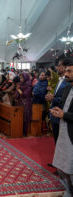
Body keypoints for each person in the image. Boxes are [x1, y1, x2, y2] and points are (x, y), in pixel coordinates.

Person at [51, 59, 73, 196]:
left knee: (71, 164)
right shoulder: (67, 88)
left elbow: (67, 113)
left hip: (72, 134)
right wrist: (58, 111)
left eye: (69, 71)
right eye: (65, 71)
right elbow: (64, 107)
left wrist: (64, 115)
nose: (65, 73)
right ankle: (69, 190)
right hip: (64, 131)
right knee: (62, 165)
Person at [46, 59, 70, 144]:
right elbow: (57, 95)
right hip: (54, 113)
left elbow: (66, 99)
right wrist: (50, 97)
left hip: (61, 114)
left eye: (59, 65)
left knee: (62, 142)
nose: (57, 67)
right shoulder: (60, 80)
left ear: (65, 67)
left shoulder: (68, 82)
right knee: (57, 140)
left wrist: (54, 99)